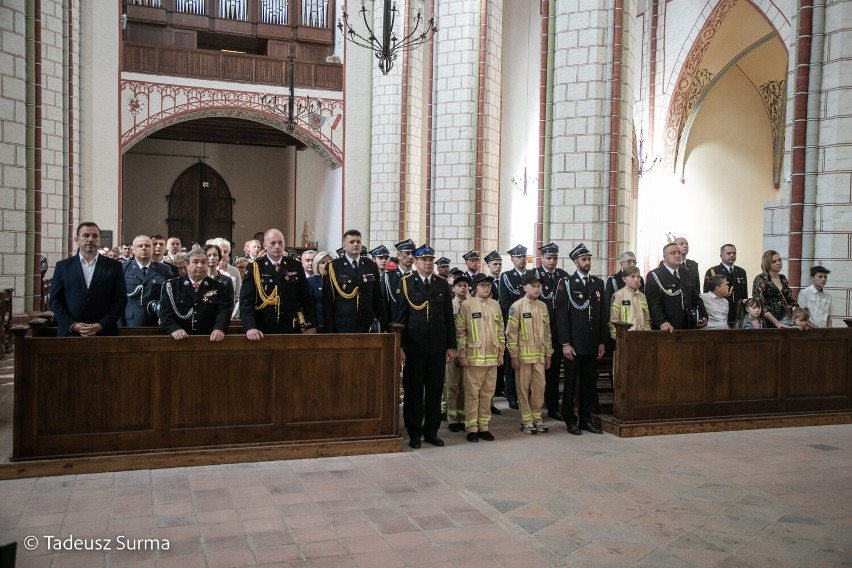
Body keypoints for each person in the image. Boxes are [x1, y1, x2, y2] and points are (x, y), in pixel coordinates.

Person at [396, 244, 457, 449]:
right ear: (415, 261)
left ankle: (431, 431)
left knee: (434, 391)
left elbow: (449, 317)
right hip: (415, 347)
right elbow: (400, 319)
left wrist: (451, 346)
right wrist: (401, 347)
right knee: (413, 392)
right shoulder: (406, 283)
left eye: (431, 260)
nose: (428, 263)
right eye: (424, 260)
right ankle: (414, 432)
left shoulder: (442, 284)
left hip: (437, 347)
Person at [555, 243, 609, 435]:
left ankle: (586, 418)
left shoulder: (597, 283)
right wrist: (566, 343)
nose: (587, 262)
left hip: (592, 343)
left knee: (588, 383)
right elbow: (561, 316)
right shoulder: (566, 284)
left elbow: (603, 315)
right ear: (575, 261)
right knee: (570, 383)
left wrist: (602, 341)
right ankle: (570, 419)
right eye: (583, 259)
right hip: (574, 344)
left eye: (589, 259)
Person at [50, 222, 127, 337]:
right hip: (70, 334)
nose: (90, 239)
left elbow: (120, 300)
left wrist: (102, 325)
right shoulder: (63, 267)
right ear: (77, 240)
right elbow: (55, 300)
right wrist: (73, 325)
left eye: (95, 236)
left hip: (104, 333)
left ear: (99, 240)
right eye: (86, 235)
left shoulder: (114, 267)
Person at [240, 228, 318, 339]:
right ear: (265, 245)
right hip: (262, 329)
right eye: (272, 243)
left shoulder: (294, 265)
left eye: (280, 243)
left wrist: (312, 325)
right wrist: (250, 327)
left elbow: (306, 298)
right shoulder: (255, 267)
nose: (277, 246)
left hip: (291, 327)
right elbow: (246, 301)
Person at [456, 273, 505, 442]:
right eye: (483, 285)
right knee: (472, 395)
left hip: (491, 358)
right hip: (473, 359)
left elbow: (500, 331)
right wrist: (462, 355)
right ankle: (471, 428)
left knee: (487, 395)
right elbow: (460, 332)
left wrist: (501, 354)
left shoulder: (495, 305)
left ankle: (484, 426)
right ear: (474, 287)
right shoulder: (467, 305)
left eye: (488, 285)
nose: (486, 288)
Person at [506, 271, 553, 435]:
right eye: (533, 286)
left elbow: (547, 332)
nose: (537, 289)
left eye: (538, 286)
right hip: (523, 358)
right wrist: (514, 355)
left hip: (539, 356)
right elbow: (511, 333)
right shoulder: (516, 306)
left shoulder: (543, 306)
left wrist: (548, 353)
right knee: (523, 388)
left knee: (540, 388)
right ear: (524, 287)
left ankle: (537, 417)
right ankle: (526, 420)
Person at [159, 248, 232, 341]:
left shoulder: (218, 287)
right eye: (195, 262)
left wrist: (219, 328)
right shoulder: (172, 286)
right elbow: (165, 312)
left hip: (209, 339)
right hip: (179, 339)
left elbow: (223, 311)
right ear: (187, 265)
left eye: (204, 262)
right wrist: (174, 329)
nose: (200, 265)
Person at [323, 230, 388, 333]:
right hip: (342, 326)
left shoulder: (371, 266)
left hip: (366, 325)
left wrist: (384, 325)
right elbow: (328, 302)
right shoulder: (333, 267)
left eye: (358, 242)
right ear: (344, 246)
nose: (356, 244)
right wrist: (330, 330)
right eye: (352, 242)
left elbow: (377, 298)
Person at [533, 242, 569, 421]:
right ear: (542, 258)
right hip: (537, 330)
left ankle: (553, 406)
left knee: (553, 370)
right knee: (536, 372)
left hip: (557, 330)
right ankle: (534, 408)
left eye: (555, 258)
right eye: (548, 258)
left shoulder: (563, 276)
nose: (552, 261)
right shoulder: (534, 276)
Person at [645, 243, 708, 331]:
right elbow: (653, 303)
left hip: (688, 325)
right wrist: (661, 322)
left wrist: (704, 314)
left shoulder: (686, 273)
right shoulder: (655, 275)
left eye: (679, 253)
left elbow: (695, 297)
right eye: (673, 253)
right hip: (668, 326)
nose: (677, 255)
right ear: (665, 257)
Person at [498, 244, 529, 410]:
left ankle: (526, 393)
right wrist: (519, 316)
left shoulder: (532, 275)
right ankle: (511, 395)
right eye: (518, 257)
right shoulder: (507, 277)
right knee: (512, 361)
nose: (521, 259)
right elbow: (504, 302)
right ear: (512, 259)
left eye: (523, 256)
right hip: (514, 324)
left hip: (531, 325)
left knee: (527, 362)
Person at [122, 235, 173, 327]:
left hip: (156, 321)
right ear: (133, 250)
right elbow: (118, 299)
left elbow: (169, 297)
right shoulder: (123, 269)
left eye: (147, 246)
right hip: (130, 322)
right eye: (140, 246)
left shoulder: (164, 270)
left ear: (152, 249)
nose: (144, 248)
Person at [445, 274, 471, 433]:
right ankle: (452, 418)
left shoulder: (472, 305)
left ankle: (463, 416)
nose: (462, 288)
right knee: (452, 386)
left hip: (468, 352)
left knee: (466, 386)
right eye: (459, 285)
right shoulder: (449, 305)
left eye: (465, 285)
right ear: (453, 288)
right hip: (453, 351)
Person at [703, 244, 748, 326]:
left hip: (738, 312)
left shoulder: (741, 272)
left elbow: (745, 293)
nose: (732, 255)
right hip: (719, 313)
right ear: (721, 256)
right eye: (728, 253)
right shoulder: (713, 271)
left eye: (734, 253)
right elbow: (707, 294)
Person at [752, 250, 797, 328]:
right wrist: (776, 323)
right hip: (767, 321)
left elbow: (791, 301)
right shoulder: (761, 279)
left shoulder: (783, 278)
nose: (778, 263)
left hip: (786, 320)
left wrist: (803, 318)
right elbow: (761, 304)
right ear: (767, 264)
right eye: (774, 261)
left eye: (779, 260)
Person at [608, 265, 651, 338]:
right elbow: (614, 321)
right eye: (633, 277)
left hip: (642, 337)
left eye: (638, 277)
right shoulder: (618, 295)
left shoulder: (642, 296)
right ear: (624, 279)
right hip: (626, 338)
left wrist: (647, 334)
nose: (636, 279)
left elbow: (647, 319)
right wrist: (618, 338)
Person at [383, 239, 416, 322]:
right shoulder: (388, 277)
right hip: (394, 324)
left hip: (414, 327)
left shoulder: (417, 277)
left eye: (413, 254)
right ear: (398, 255)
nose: (410, 257)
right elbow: (384, 305)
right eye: (407, 253)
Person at [308, 251, 332, 330]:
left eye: (329, 262)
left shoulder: (338, 281)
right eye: (322, 262)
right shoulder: (311, 281)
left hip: (336, 323)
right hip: (318, 323)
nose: (326, 265)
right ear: (317, 265)